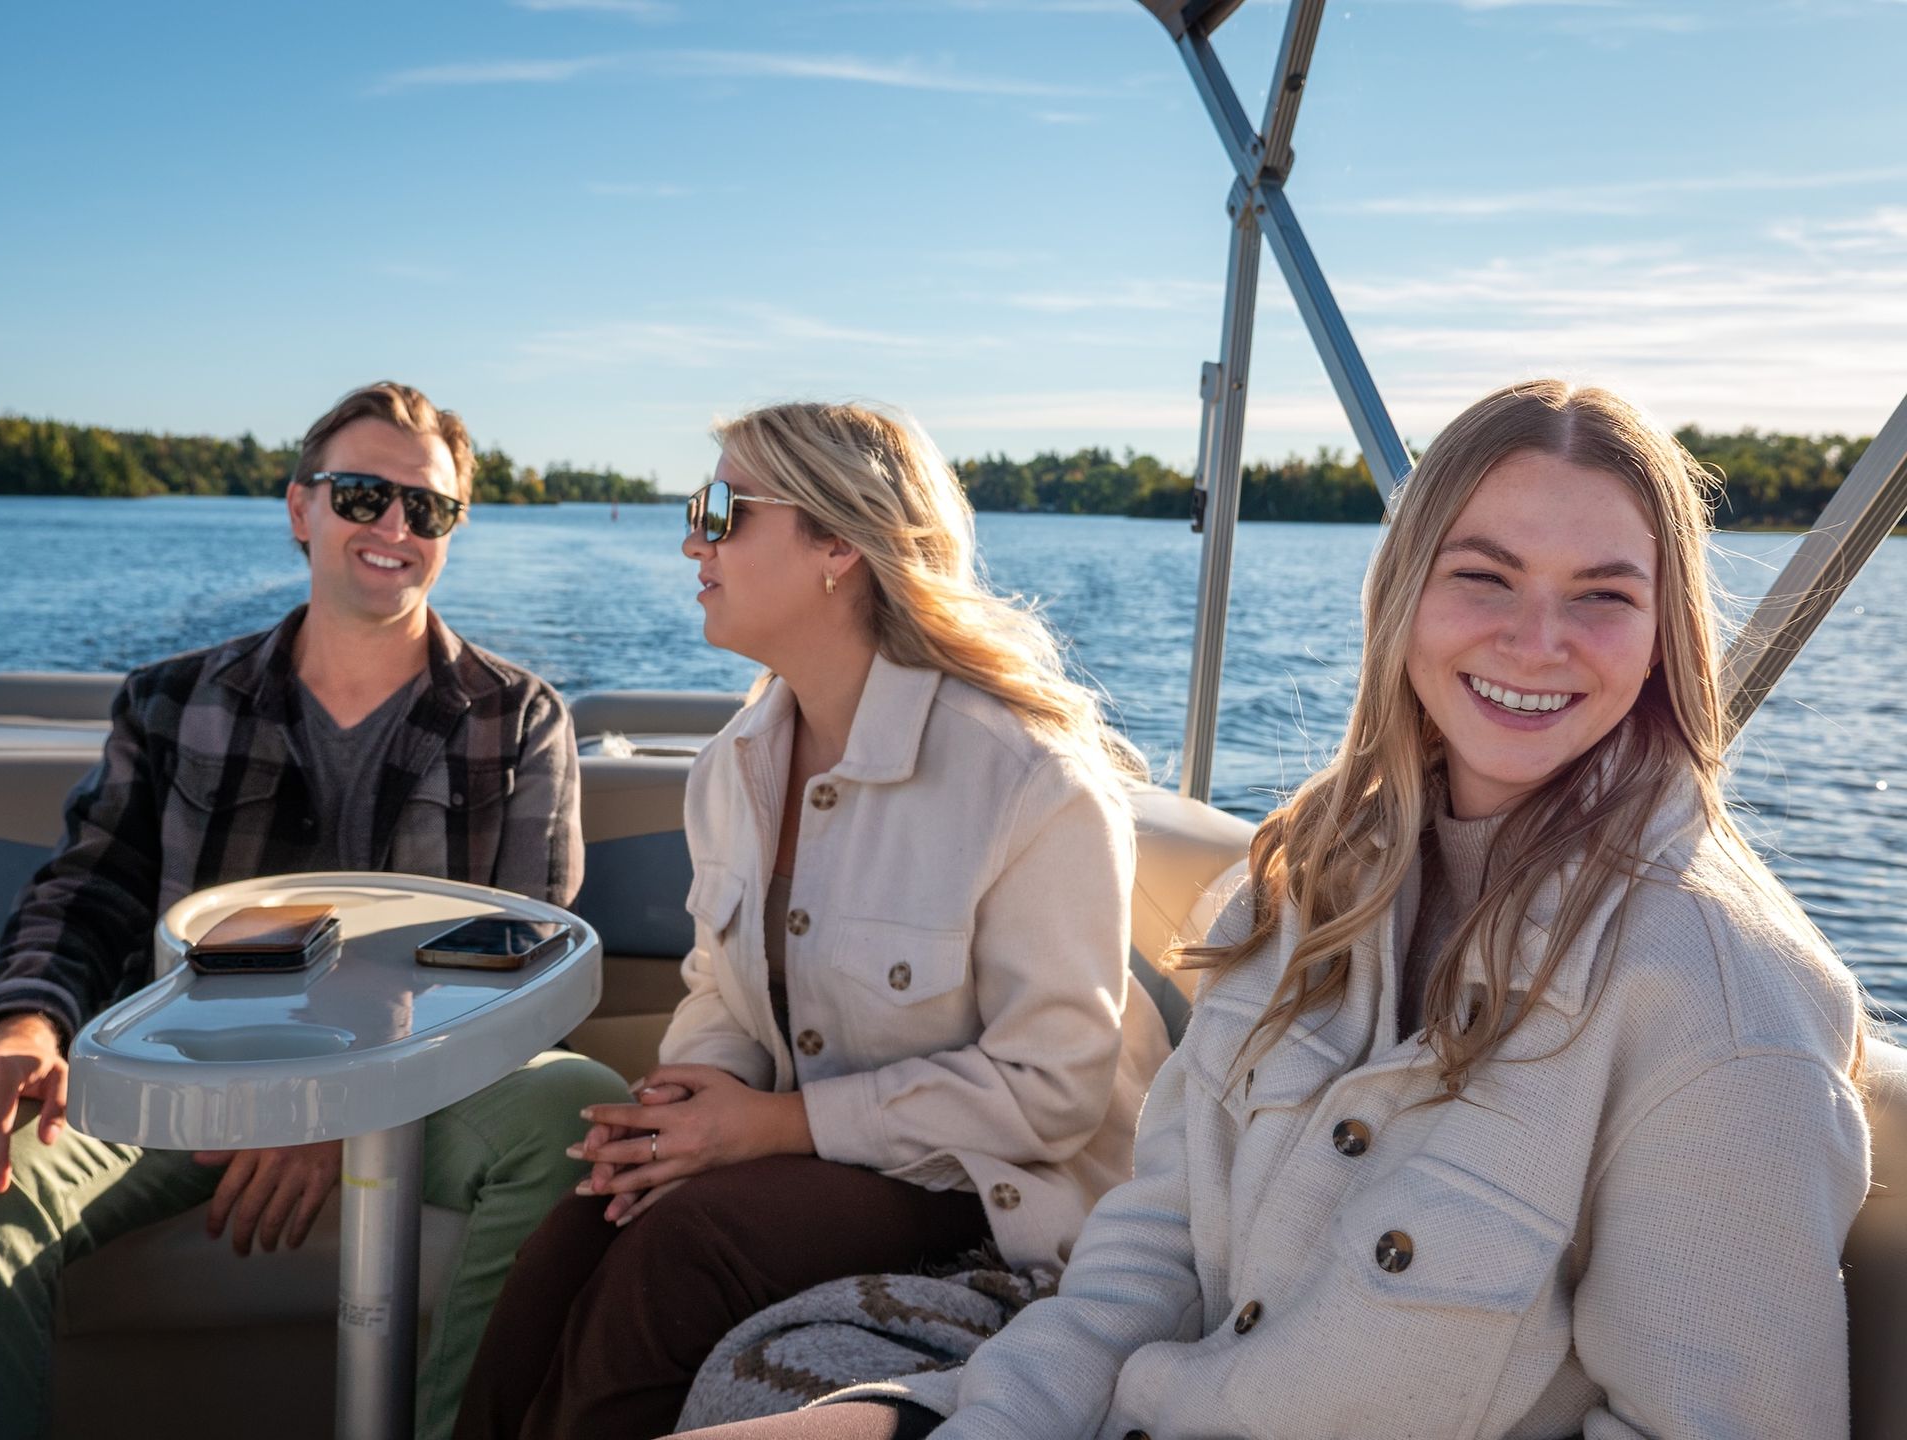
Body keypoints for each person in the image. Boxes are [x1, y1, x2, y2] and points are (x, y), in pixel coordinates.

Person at [671, 379, 1877, 1440]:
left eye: (1602, 596)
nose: (1536, 639)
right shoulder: (1303, 889)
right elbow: (1148, 1260)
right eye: (1483, 577)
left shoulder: (1724, 1003)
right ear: (1403, 595)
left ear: (1665, 635)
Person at [452, 401, 1172, 1439]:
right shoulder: (734, 765)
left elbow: (1051, 1094)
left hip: (999, 1191)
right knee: (581, 1221)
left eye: (721, 509)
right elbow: (723, 992)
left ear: (839, 542)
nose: (691, 538)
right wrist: (682, 1110)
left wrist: (771, 1127)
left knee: (686, 1245)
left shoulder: (1029, 783)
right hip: (818, 1160)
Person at [0, 381, 631, 1440]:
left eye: (427, 509)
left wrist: (341, 1113)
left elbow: (528, 960)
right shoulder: (169, 699)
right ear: (300, 509)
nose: (393, 529)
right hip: (184, 1076)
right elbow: (89, 885)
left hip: (426, 1080)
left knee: (579, 1112)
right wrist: (24, 1022)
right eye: (362, 495)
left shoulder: (518, 719)